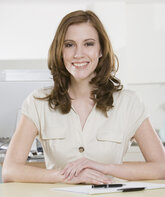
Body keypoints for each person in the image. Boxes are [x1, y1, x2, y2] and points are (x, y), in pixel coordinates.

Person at [2, 10, 165, 184]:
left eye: (88, 44)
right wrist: (67, 176)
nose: (79, 54)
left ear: (101, 50)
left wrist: (106, 168)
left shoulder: (129, 103)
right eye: (69, 45)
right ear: (60, 51)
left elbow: (161, 167)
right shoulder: (37, 102)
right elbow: (10, 170)